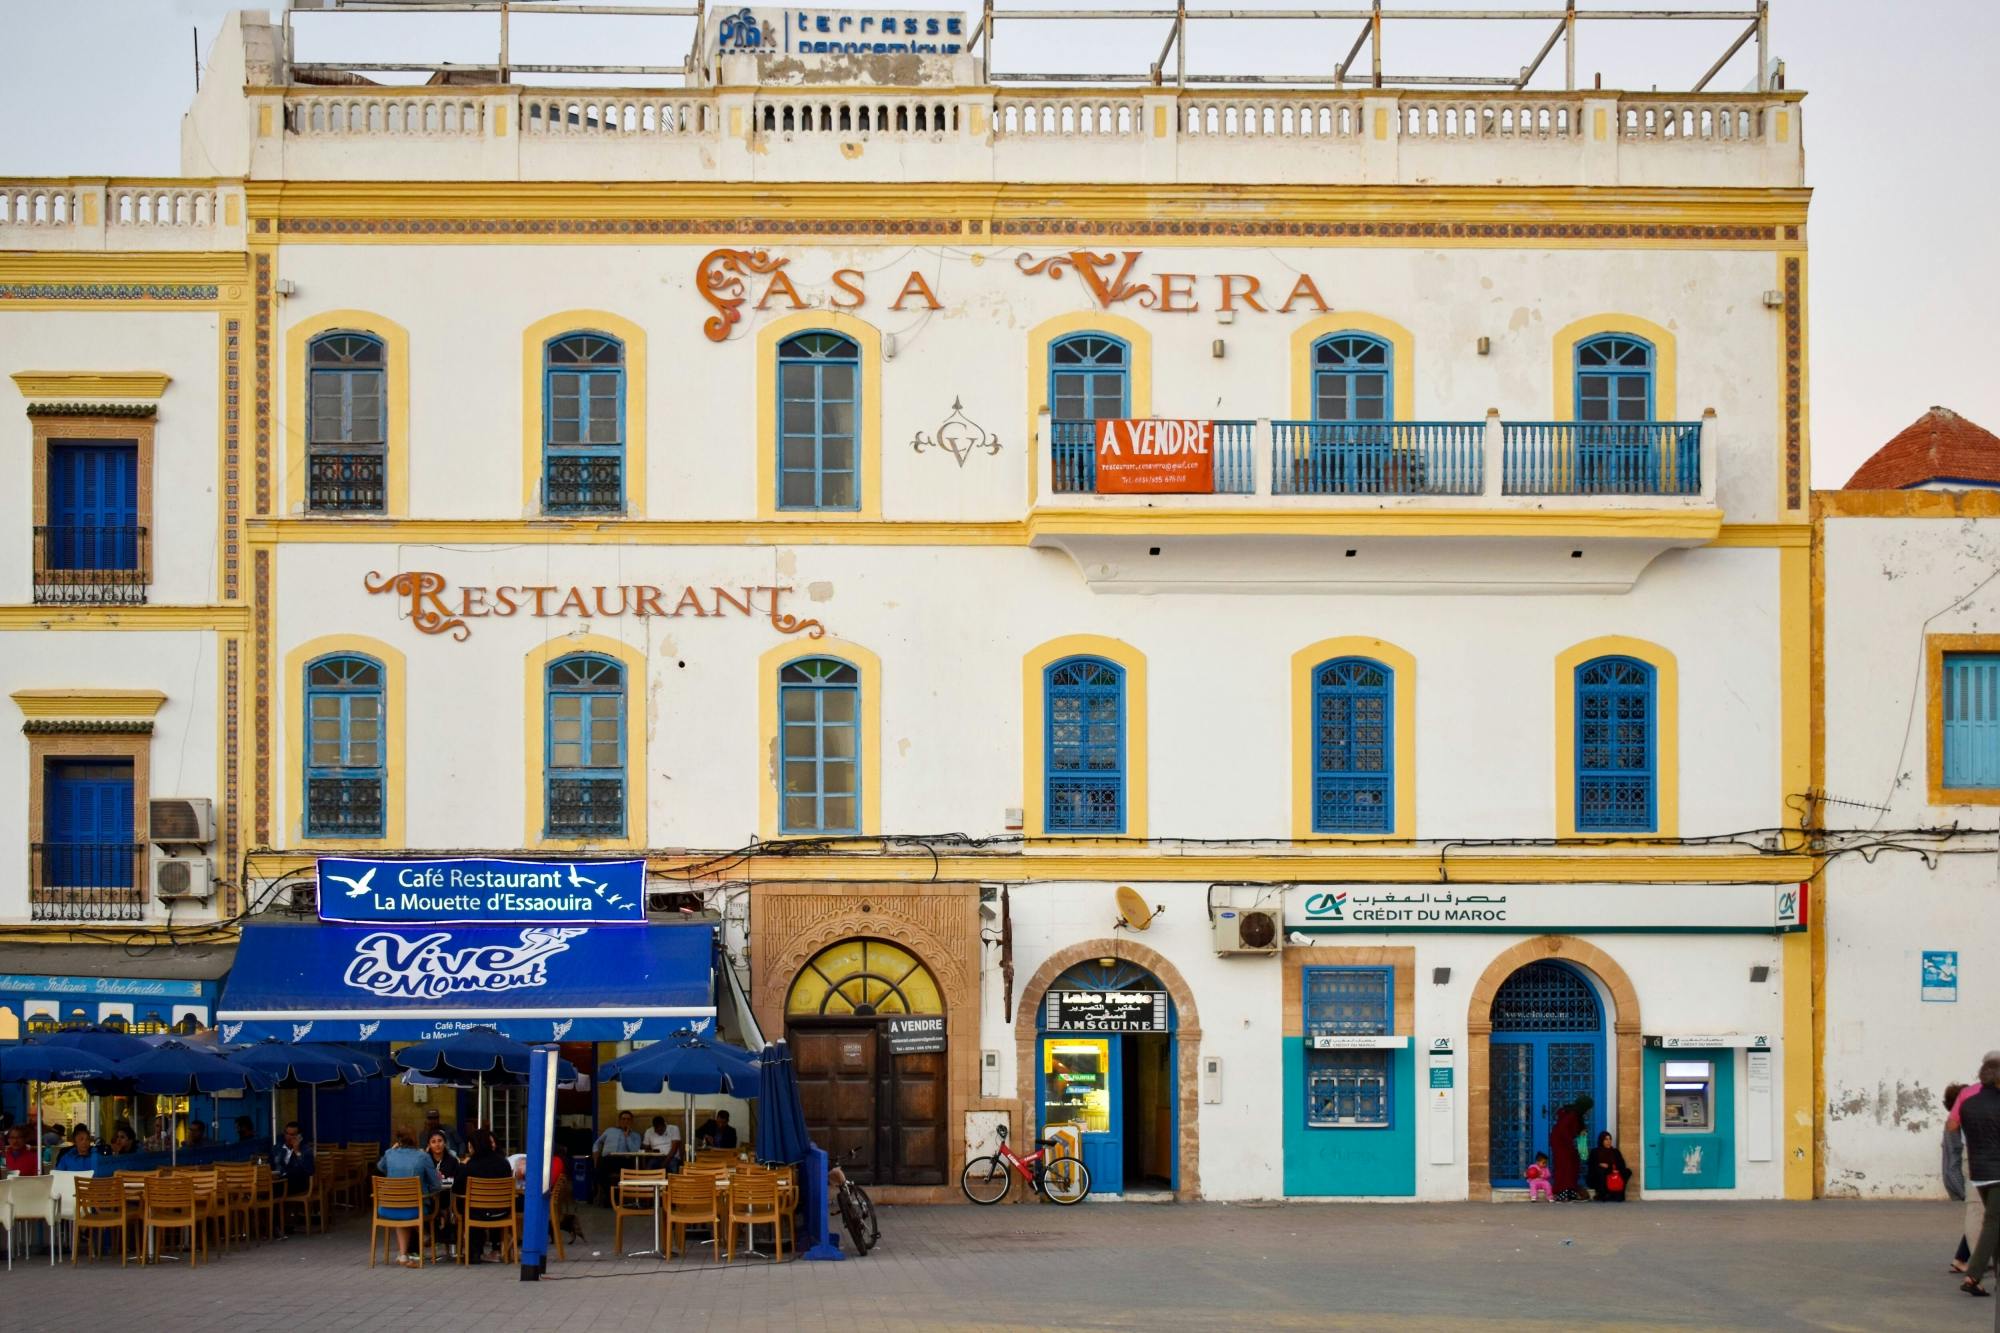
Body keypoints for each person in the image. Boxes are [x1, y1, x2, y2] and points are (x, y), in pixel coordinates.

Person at [1953, 1051, 2000, 1297]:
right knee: (1993, 1222)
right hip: (1997, 1170)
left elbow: (1952, 1125)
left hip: (1978, 1171)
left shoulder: (1968, 1102)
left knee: (1994, 1221)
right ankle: (1974, 1275)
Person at [376, 1127, 445, 1268]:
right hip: (414, 1209)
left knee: (402, 1209)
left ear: (398, 1140)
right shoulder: (422, 1156)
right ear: (415, 1140)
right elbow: (436, 1185)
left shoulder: (390, 1154)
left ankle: (403, 1255)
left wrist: (392, 1150)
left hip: (388, 1208)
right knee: (412, 1207)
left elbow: (380, 1167)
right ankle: (423, 1233)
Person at [458, 1129, 515, 1264]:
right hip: (502, 1211)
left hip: (477, 1213)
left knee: (466, 1207)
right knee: (476, 1207)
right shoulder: (503, 1163)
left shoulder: (471, 1165)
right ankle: (495, 1248)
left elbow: (457, 1188)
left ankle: (474, 1251)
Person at [1945, 1082, 1973, 1274]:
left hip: (1968, 1175)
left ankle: (1963, 1258)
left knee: (1982, 1216)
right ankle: (1964, 1258)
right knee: (1983, 1215)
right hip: (1968, 1176)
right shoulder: (1956, 1126)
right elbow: (1953, 1160)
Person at [271, 1121, 315, 1239]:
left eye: (293, 1134)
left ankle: (276, 1227)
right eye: (287, 1134)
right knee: (266, 1190)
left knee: (275, 1191)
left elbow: (309, 1170)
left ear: (299, 1136)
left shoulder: (306, 1150)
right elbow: (270, 1165)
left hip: (298, 1182)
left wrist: (297, 1151)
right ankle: (269, 1226)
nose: (289, 1137)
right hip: (279, 1180)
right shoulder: (277, 1148)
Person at [592, 1110, 643, 1205]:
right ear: (619, 1120)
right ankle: (611, 1197)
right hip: (607, 1160)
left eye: (628, 1119)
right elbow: (596, 1144)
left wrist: (627, 1136)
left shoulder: (635, 1135)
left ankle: (610, 1199)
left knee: (601, 1168)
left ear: (631, 1121)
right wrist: (596, 1157)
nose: (625, 1121)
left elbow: (635, 1151)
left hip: (624, 1161)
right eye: (623, 1119)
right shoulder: (610, 1131)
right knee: (598, 1170)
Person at [1549, 1097, 1591, 1201]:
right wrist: (1571, 1142)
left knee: (1572, 1165)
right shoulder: (1572, 1115)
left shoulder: (1576, 1115)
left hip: (1565, 1143)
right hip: (1561, 1144)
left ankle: (1570, 1192)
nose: (1589, 1111)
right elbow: (1563, 1130)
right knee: (1565, 1167)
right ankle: (1562, 1193)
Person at [1587, 1131, 1633, 1201]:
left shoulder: (1615, 1151)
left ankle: (1619, 1194)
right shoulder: (1595, 1151)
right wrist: (1599, 1164)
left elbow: (1621, 1164)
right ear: (1601, 1140)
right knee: (1601, 1171)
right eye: (1606, 1139)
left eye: (1610, 1139)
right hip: (1602, 1173)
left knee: (1627, 1171)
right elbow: (1591, 1165)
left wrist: (1612, 1167)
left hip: (1614, 1171)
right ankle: (1603, 1194)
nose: (1608, 1141)